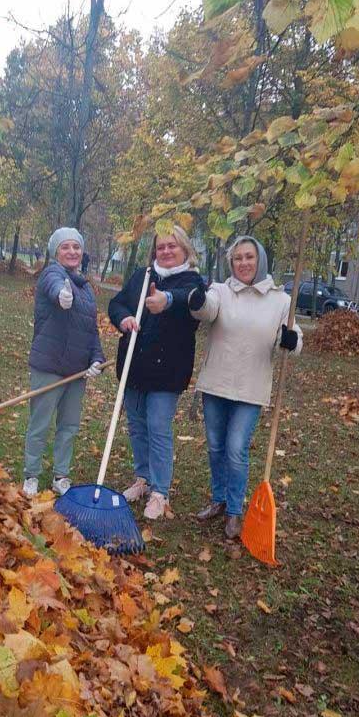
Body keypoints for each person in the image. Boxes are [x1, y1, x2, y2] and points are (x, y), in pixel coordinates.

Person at [189, 235, 302, 539]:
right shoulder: (221, 291)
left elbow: (293, 337)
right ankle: (219, 498)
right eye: (237, 258)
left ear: (260, 259)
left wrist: (291, 340)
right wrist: (198, 300)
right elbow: (206, 310)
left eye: (249, 257)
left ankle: (235, 511)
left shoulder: (280, 300)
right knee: (215, 447)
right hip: (216, 382)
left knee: (236, 449)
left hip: (251, 388)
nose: (243, 263)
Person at [108, 226, 202, 520]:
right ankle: (143, 479)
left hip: (167, 372)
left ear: (185, 249)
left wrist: (167, 300)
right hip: (134, 368)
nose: (166, 251)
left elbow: (189, 300)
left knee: (158, 428)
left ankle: (160, 491)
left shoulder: (193, 282)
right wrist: (122, 317)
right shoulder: (142, 276)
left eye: (172, 246)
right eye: (161, 247)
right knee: (137, 425)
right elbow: (117, 302)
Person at [23, 227, 105, 497]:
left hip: (76, 372)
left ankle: (61, 475)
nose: (72, 252)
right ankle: (31, 475)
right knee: (40, 424)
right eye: (65, 247)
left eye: (76, 247)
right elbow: (52, 285)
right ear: (56, 252)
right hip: (49, 366)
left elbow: (91, 330)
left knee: (68, 427)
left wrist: (96, 359)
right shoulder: (52, 274)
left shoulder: (86, 289)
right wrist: (61, 295)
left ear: (82, 252)